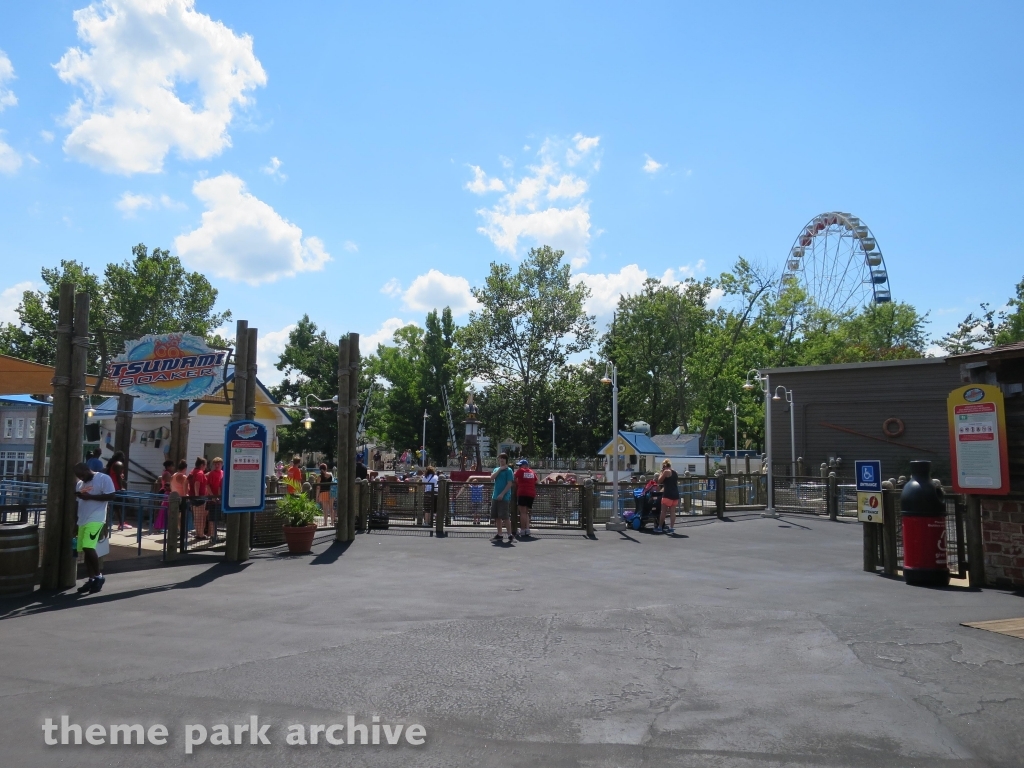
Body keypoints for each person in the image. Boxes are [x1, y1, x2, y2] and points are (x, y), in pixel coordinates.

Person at [73, 461, 116, 594]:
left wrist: (90, 497)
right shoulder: (80, 484)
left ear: (87, 470)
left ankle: (99, 576)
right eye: (79, 477)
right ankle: (91, 579)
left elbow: (111, 495)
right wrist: (75, 523)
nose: (81, 478)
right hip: (82, 519)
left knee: (88, 546)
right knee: (86, 549)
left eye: (82, 475)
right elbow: (78, 504)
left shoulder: (103, 478)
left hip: (96, 518)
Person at [490, 453, 515, 543]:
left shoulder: (509, 470)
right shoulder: (496, 469)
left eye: (503, 458)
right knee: (497, 516)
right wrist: (500, 469)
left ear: (506, 460)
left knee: (505, 516)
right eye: (500, 458)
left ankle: (510, 535)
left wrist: (502, 494)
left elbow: (509, 484)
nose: (502, 460)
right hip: (495, 496)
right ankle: (499, 534)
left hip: (504, 497)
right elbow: (492, 478)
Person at [514, 458, 538, 538]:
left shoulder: (520, 471)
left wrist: (517, 482)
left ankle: (522, 529)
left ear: (524, 465)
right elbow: (536, 481)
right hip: (531, 494)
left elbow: (513, 477)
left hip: (522, 492)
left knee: (522, 512)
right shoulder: (532, 472)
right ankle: (527, 529)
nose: (519, 467)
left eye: (520, 465)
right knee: (526, 512)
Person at [105, 451, 129, 530]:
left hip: (111, 487)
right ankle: (122, 523)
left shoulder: (112, 464)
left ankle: (121, 523)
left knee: (116, 507)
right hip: (116, 488)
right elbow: (118, 477)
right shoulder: (118, 464)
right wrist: (121, 487)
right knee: (125, 504)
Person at [188, 458, 210, 539]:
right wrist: (197, 496)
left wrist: (187, 491)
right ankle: (201, 534)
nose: (206, 467)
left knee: (196, 517)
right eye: (205, 465)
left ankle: (198, 533)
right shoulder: (200, 473)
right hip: (199, 497)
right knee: (201, 517)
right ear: (202, 465)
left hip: (192, 497)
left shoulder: (192, 471)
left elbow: (186, 482)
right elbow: (197, 484)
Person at [655, 459, 679, 534]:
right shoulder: (675, 472)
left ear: (664, 466)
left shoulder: (666, 472)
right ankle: (671, 528)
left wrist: (661, 473)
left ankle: (660, 527)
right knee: (673, 512)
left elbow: (659, 481)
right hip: (675, 494)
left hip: (667, 494)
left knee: (663, 511)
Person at [154, 459, 174, 532]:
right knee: (165, 510)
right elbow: (168, 484)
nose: (173, 467)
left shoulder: (165, 473)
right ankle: (162, 525)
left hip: (164, 491)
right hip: (166, 492)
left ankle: (163, 525)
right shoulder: (167, 474)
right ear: (168, 467)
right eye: (172, 466)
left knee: (164, 509)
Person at [207, 457, 224, 533]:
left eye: (218, 464)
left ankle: (214, 533)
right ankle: (212, 534)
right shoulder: (212, 473)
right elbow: (207, 486)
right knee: (212, 518)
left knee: (217, 517)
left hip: (220, 498)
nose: (217, 466)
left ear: (221, 464)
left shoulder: (223, 473)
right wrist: (212, 496)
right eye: (215, 464)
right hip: (213, 499)